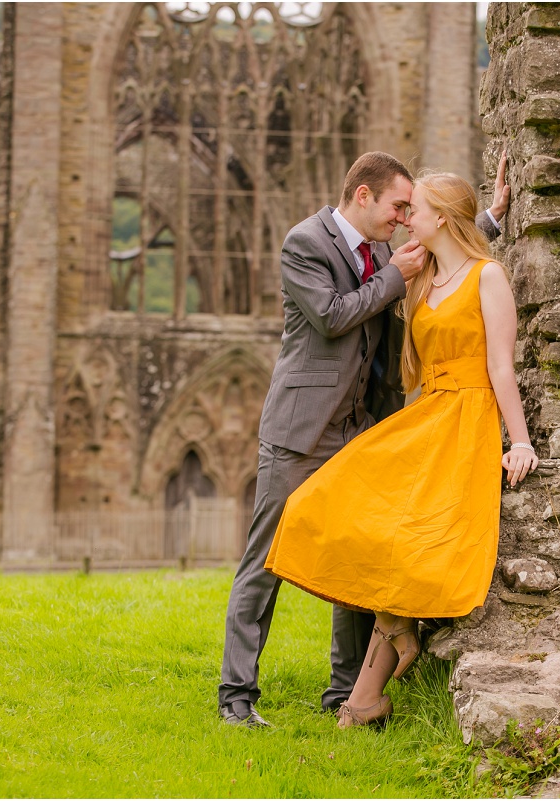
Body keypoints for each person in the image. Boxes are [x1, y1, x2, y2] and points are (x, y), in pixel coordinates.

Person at [219, 152, 511, 729]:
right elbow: (331, 315)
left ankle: (346, 690)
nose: (405, 218)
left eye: (411, 208)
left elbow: (447, 247)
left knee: (359, 547)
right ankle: (236, 696)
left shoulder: (382, 253)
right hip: (303, 428)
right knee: (265, 556)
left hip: (360, 428)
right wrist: (391, 278)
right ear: (363, 197)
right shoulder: (305, 243)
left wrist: (490, 218)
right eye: (398, 206)